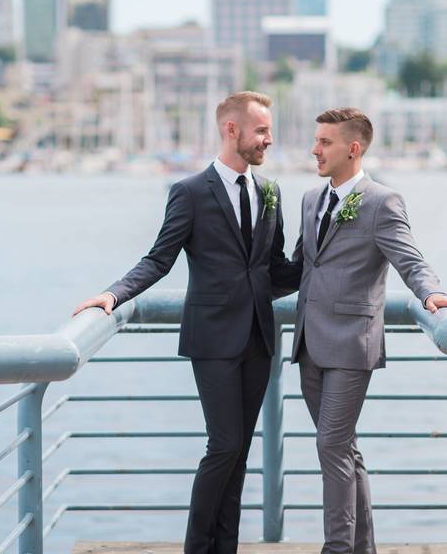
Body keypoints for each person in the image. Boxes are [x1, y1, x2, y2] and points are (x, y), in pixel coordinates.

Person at [73, 91, 300, 554]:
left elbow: (276, 269)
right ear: (231, 130)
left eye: (269, 131)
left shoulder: (271, 191)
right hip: (213, 338)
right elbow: (159, 259)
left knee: (238, 457)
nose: (269, 140)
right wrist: (113, 294)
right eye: (261, 131)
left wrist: (329, 250)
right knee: (223, 445)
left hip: (259, 339)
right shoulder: (190, 192)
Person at [289, 107, 447, 554]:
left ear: (353, 147)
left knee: (330, 444)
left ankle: (338, 548)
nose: (315, 149)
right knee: (344, 449)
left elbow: (409, 258)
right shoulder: (311, 199)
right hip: (309, 342)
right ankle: (363, 547)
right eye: (316, 141)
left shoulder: (381, 202)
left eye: (324, 142)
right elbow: (298, 266)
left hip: (351, 344)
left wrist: (431, 294)